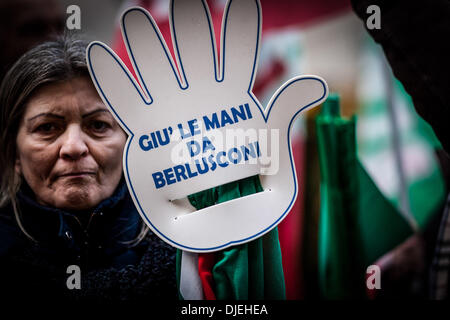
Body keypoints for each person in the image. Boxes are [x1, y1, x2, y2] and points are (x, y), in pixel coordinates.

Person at [0, 35, 176, 301]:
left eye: (98, 125)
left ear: (130, 143)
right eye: (47, 128)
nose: (73, 147)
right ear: (14, 152)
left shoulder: (188, 251)